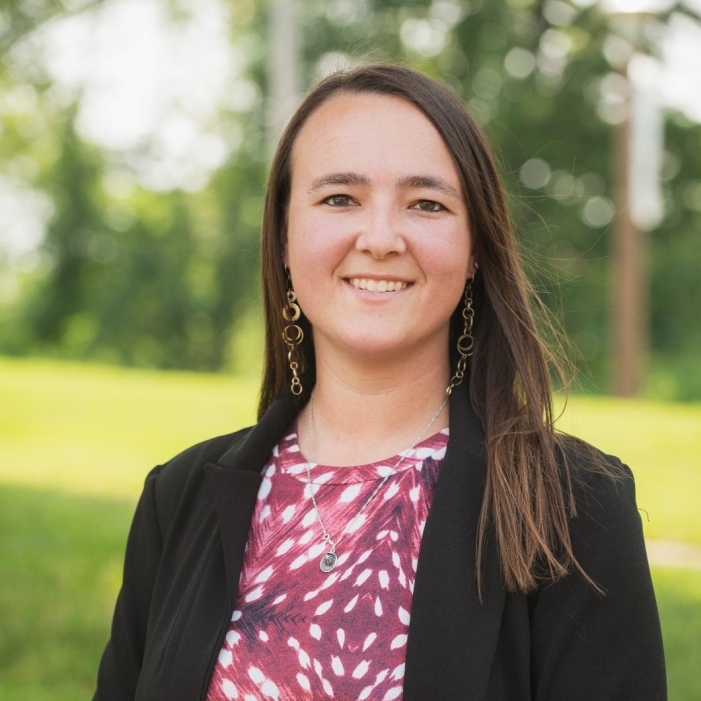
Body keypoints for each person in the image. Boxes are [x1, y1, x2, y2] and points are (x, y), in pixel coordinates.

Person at [93, 63, 666, 701]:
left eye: (426, 203)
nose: (381, 238)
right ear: (285, 234)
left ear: (475, 246)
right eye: (340, 198)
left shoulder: (572, 509)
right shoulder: (178, 498)